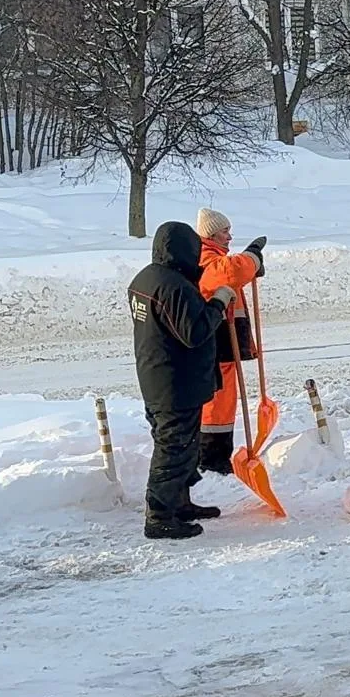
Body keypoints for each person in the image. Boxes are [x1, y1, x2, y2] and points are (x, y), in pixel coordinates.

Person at [129, 221, 236, 539]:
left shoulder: (146, 278)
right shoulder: (173, 286)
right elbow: (196, 332)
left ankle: (180, 503)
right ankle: (160, 516)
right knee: (173, 447)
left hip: (161, 376)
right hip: (174, 382)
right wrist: (218, 302)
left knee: (184, 446)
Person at [193, 208, 267, 480]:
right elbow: (230, 273)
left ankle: (217, 454)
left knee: (224, 399)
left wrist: (250, 269)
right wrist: (251, 260)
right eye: (225, 231)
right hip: (217, 339)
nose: (229, 236)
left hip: (224, 339)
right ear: (211, 233)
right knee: (218, 400)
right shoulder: (206, 258)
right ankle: (212, 457)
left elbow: (234, 275)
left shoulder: (215, 259)